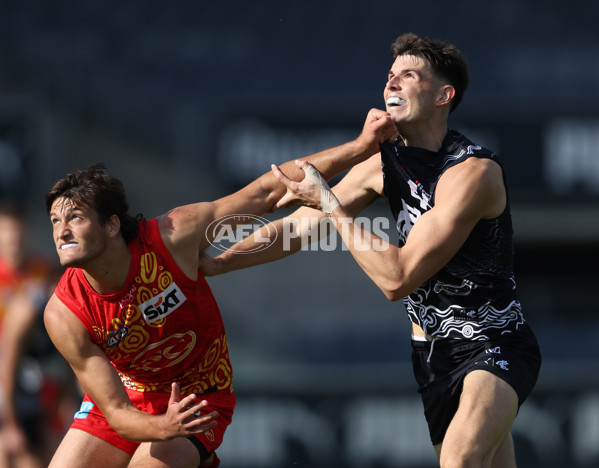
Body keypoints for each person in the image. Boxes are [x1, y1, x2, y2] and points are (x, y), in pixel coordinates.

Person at [201, 33, 542, 467]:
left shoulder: (472, 172)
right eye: (390, 77)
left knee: (459, 460)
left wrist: (329, 201)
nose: (391, 86)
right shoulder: (384, 164)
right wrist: (216, 263)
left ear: (444, 95)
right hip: (433, 355)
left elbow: (396, 278)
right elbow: (299, 228)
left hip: (495, 341)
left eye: (408, 76)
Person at [41, 114, 398, 468]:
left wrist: (360, 147)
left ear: (112, 225)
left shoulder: (173, 237)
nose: (62, 232)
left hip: (199, 398)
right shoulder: (63, 313)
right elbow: (117, 412)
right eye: (56, 221)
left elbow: (265, 191)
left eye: (75, 218)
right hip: (128, 402)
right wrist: (159, 425)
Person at [0, 200, 75, 468]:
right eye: (8, 235)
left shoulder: (44, 273)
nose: (14, 242)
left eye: (18, 235)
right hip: (7, 372)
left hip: (34, 372)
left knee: (41, 448)